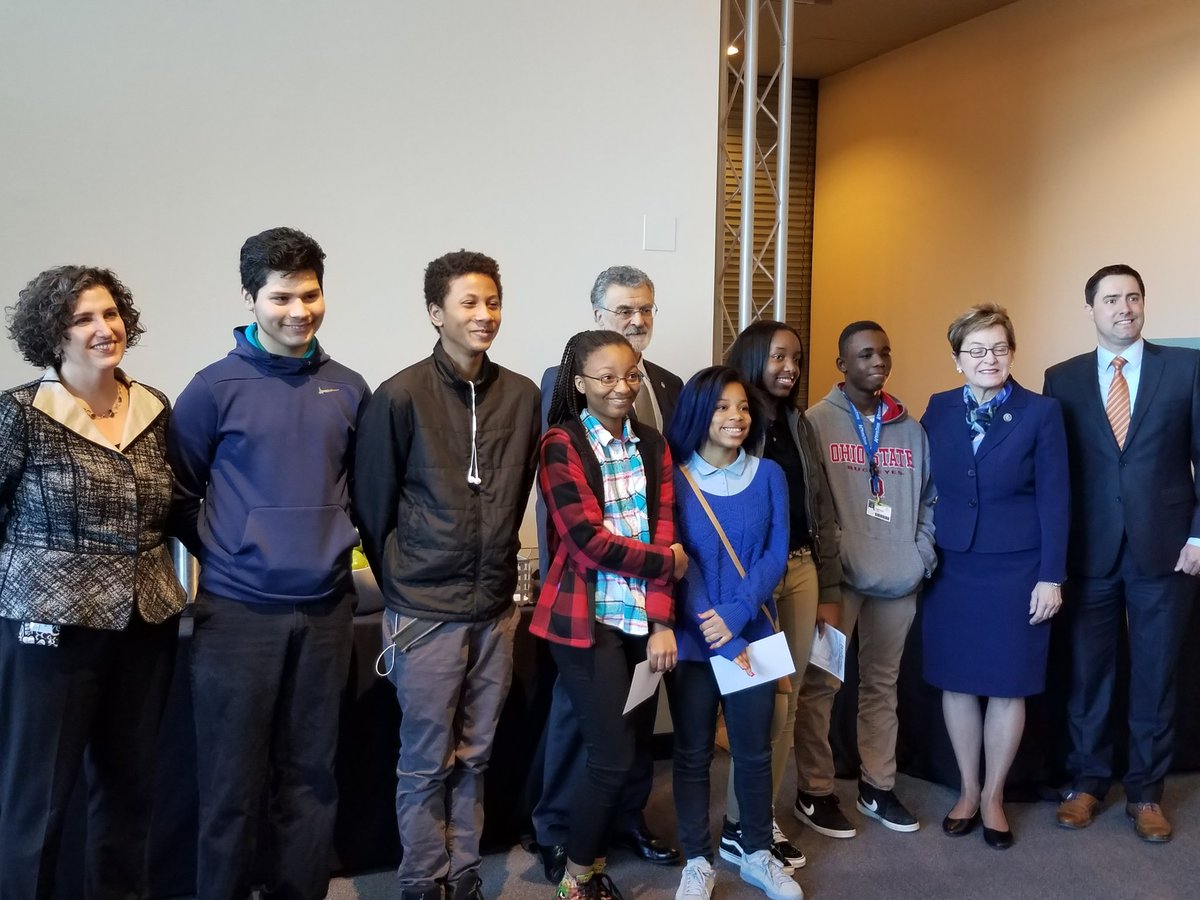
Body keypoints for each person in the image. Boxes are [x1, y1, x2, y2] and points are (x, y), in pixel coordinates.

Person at [168, 227, 371, 900]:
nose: (298, 311)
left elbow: (360, 492)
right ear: (251, 298)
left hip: (326, 610)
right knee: (230, 783)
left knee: (312, 776)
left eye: (309, 295)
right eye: (280, 297)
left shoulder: (347, 388)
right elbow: (180, 490)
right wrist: (228, 553)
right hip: (236, 616)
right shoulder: (213, 387)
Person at [354, 250, 540, 900]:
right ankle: (421, 881)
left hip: (493, 609)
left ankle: (463, 877)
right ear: (436, 313)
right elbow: (372, 509)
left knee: (477, 755)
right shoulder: (399, 395)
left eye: (492, 301)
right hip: (424, 613)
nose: (484, 315)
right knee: (425, 763)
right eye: (469, 303)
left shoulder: (523, 395)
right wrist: (406, 578)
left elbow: (515, 497)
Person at [0, 266, 186, 900]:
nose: (104, 329)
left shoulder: (154, 407)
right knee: (40, 797)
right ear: (54, 335)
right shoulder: (22, 411)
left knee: (130, 788)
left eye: (110, 315)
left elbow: (179, 504)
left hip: (146, 620)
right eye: (83, 319)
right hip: (50, 629)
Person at [532, 265, 683, 881]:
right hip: (584, 605)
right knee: (592, 737)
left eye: (645, 309)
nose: (636, 320)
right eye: (624, 310)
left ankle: (622, 824)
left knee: (635, 734)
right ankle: (564, 840)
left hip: (642, 609)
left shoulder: (661, 408)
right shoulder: (563, 427)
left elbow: (666, 518)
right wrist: (664, 562)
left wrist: (661, 612)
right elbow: (583, 535)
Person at [1043, 264, 1200, 842]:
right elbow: (1059, 474)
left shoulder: (1186, 368)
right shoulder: (1062, 379)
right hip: (1091, 552)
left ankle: (1146, 794)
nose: (1124, 308)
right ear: (1091, 310)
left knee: (1156, 677)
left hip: (1168, 551)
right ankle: (1086, 784)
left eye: (1133, 298)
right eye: (1111, 299)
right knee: (1089, 677)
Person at [921, 303, 1069, 849]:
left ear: (1013, 352)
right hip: (952, 566)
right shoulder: (936, 410)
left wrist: (1051, 576)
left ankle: (993, 797)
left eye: (999, 348)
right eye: (976, 350)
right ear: (957, 358)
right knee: (957, 682)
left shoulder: (1041, 412)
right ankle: (966, 788)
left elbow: (1057, 500)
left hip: (1019, 568)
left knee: (1009, 686)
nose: (989, 359)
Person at [666, 365, 803, 900]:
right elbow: (682, 560)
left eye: (743, 407)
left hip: (756, 630)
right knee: (693, 751)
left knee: (754, 751)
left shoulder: (769, 475)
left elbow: (775, 555)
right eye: (723, 407)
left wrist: (739, 614)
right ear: (701, 413)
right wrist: (713, 623)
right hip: (698, 636)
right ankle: (697, 861)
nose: (736, 417)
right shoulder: (675, 478)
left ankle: (756, 856)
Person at [804, 321, 936, 833]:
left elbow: (930, 499)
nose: (877, 361)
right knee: (821, 685)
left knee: (882, 687)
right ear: (842, 364)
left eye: (884, 352)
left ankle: (877, 788)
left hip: (898, 580)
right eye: (864, 354)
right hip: (839, 583)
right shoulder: (816, 422)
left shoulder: (910, 427)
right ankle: (815, 790)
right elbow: (811, 504)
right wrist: (830, 563)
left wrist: (919, 555)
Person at [724, 321, 844, 866]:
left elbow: (819, 508)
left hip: (800, 572)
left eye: (796, 356)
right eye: (777, 357)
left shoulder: (799, 423)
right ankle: (740, 824)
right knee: (759, 706)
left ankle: (755, 818)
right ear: (752, 358)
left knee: (787, 701)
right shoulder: (730, 420)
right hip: (751, 583)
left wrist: (828, 585)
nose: (790, 367)